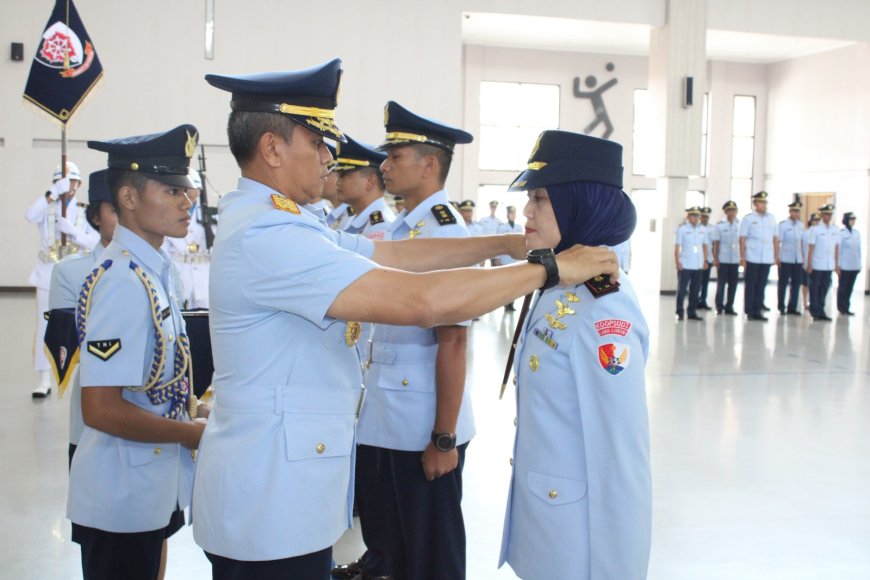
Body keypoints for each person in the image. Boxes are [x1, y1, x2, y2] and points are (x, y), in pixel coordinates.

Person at [192, 59, 618, 579]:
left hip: (279, 492)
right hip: (269, 505)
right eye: (319, 144)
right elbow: (421, 302)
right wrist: (551, 268)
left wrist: (514, 244)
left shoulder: (279, 222)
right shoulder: (271, 236)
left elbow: (394, 256)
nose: (330, 158)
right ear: (273, 148)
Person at [499, 129, 651, 580]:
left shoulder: (604, 308)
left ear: (578, 205)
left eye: (541, 198)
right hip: (546, 528)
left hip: (577, 548)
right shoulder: (556, 281)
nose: (526, 210)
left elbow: (620, 458)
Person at [68, 125, 208, 580]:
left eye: (186, 190)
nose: (187, 202)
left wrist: (190, 408)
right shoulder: (123, 282)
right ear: (128, 198)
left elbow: (157, 379)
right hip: (119, 494)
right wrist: (188, 435)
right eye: (172, 190)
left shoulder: (156, 269)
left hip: (148, 483)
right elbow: (101, 409)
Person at [354, 100, 476, 580]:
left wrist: (443, 438)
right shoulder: (404, 229)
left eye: (395, 155)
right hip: (389, 420)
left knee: (431, 557)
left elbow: (454, 342)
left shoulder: (446, 233)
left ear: (429, 164)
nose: (384, 165)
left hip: (426, 426)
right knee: (394, 552)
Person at [25, 161, 98, 397]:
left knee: (83, 325)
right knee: (45, 324)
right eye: (63, 182)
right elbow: (29, 214)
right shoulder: (46, 208)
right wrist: (52, 193)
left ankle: (84, 373)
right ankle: (43, 378)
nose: (69, 187)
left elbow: (95, 241)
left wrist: (74, 233)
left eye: (72, 182)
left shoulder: (83, 210)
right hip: (47, 273)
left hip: (75, 275)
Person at [161, 169, 213, 309]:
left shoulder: (212, 218)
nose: (188, 193)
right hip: (181, 284)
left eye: (191, 189)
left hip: (206, 287)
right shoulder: (167, 216)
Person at [333, 135, 394, 240]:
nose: (338, 182)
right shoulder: (353, 218)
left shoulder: (380, 227)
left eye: (345, 175)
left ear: (370, 181)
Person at [739, 191, 778, 321]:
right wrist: (742, 257)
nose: (763, 205)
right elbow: (742, 239)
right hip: (752, 256)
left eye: (765, 202)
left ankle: (758, 309)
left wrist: (775, 256)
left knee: (761, 285)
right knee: (751, 285)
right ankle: (750, 311)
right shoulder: (749, 219)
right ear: (755, 204)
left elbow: (775, 238)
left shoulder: (771, 218)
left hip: (766, 257)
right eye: (760, 202)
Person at [806, 204, 839, 321]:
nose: (828, 216)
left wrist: (836, 263)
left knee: (824, 288)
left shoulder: (835, 230)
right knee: (815, 288)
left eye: (830, 214)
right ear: (822, 215)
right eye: (826, 214)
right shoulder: (815, 230)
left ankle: (821, 310)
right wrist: (809, 264)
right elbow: (811, 248)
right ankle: (815, 311)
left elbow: (836, 247)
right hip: (817, 264)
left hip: (828, 264)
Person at [674, 207, 707, 321]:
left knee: (695, 290)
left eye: (698, 216)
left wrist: (705, 260)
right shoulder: (682, 229)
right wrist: (677, 262)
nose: (696, 218)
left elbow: (705, 246)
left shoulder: (703, 229)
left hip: (698, 264)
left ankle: (692, 312)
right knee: (682, 289)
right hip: (685, 264)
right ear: (688, 217)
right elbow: (677, 247)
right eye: (693, 215)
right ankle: (680, 311)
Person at [712, 200, 740, 315]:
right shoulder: (720, 226)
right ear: (725, 212)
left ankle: (730, 306)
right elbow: (716, 244)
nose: (732, 213)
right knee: (721, 284)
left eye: (733, 210)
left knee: (733, 284)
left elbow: (743, 242)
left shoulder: (740, 224)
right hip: (723, 259)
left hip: (735, 259)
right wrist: (716, 258)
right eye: (729, 210)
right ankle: (719, 306)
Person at [776, 201, 805, 315]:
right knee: (783, 283)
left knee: (796, 284)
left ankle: (792, 307)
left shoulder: (801, 225)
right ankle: (781, 306)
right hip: (785, 258)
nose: (796, 213)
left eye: (798, 211)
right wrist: (777, 257)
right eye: (794, 211)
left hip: (797, 259)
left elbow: (802, 243)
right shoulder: (783, 225)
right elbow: (778, 242)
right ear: (790, 211)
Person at [837, 212, 861, 315]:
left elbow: (858, 250)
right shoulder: (841, 233)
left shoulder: (856, 233)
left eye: (854, 219)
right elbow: (839, 250)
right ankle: (841, 307)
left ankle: (846, 306)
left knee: (850, 287)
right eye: (851, 219)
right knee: (843, 287)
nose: (853, 221)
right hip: (845, 265)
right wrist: (838, 265)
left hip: (854, 265)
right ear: (846, 220)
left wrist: (859, 264)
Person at [801, 213, 820, 312]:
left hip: (817, 263)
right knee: (805, 283)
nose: (816, 223)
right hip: (806, 262)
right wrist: (805, 262)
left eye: (817, 221)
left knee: (815, 284)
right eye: (814, 220)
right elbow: (804, 248)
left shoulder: (820, 232)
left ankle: (813, 302)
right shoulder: (806, 233)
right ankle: (804, 302)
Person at [697, 207, 714, 310]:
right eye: (703, 217)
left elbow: (713, 244)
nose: (705, 219)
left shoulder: (712, 228)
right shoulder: (697, 228)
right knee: (697, 282)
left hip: (708, 259)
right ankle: (696, 301)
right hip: (698, 260)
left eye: (707, 217)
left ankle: (703, 300)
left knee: (705, 282)